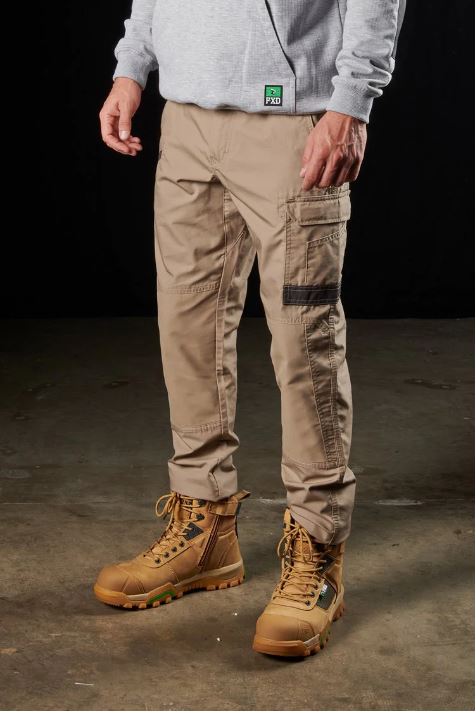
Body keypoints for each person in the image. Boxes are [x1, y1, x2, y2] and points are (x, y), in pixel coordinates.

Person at [94, 0, 406, 657]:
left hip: (292, 120)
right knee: (187, 325)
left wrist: (351, 102)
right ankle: (204, 526)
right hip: (187, 118)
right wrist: (131, 67)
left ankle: (318, 547)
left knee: (303, 341)